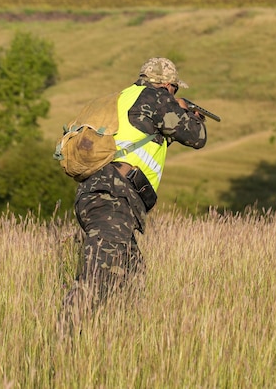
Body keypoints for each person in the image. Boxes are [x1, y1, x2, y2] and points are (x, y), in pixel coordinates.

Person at [59, 57, 207, 334]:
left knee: (131, 278)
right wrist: (189, 113)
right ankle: (60, 345)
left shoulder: (124, 98)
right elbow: (196, 136)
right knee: (96, 277)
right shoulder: (156, 98)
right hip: (113, 198)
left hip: (99, 196)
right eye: (174, 88)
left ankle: (121, 344)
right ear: (167, 85)